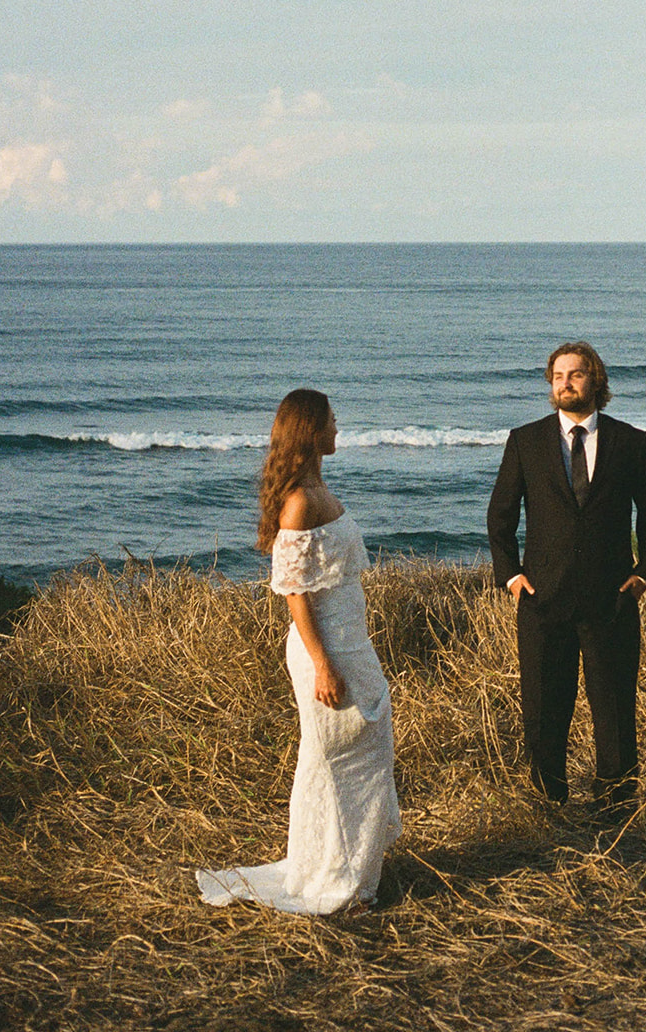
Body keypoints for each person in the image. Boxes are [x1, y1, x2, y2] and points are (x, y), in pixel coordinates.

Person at [196, 389, 400, 913]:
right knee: (338, 760)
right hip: (325, 648)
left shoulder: (316, 486)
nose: (338, 428)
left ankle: (345, 870)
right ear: (312, 431)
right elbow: (295, 593)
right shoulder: (300, 502)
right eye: (331, 421)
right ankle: (340, 883)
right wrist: (323, 664)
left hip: (351, 640)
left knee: (355, 754)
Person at [487, 343, 646, 809]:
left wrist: (645, 573)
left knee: (613, 707)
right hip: (543, 597)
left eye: (576, 374)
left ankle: (616, 803)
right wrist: (511, 576)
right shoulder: (525, 441)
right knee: (545, 709)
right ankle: (549, 802)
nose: (565, 383)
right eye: (558, 376)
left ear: (596, 381)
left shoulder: (630, 441)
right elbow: (500, 516)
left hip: (611, 598)